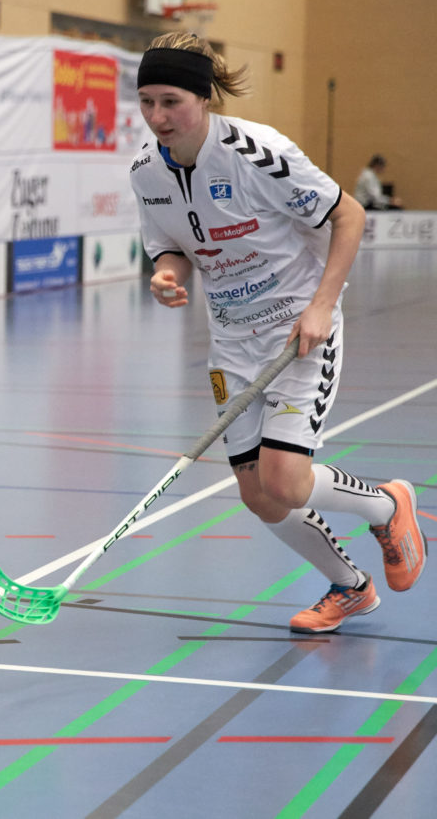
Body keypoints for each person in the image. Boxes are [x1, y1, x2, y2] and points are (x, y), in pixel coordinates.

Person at [130, 33, 425, 634]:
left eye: (171, 101)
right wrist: (165, 274)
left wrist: (321, 306)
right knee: (260, 496)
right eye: (146, 102)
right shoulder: (145, 173)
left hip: (299, 333)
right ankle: (350, 587)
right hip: (231, 344)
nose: (157, 117)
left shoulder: (257, 152)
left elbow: (349, 214)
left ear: (204, 98)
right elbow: (170, 247)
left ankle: (390, 504)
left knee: (285, 480)